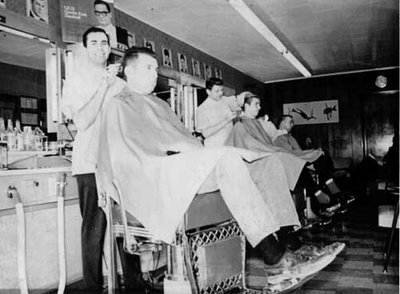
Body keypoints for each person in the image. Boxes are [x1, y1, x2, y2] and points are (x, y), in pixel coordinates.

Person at [95, 47, 345, 289]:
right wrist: (184, 154)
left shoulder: (159, 105)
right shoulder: (118, 104)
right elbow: (124, 157)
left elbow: (184, 140)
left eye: (156, 68)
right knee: (226, 159)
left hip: (182, 169)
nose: (154, 73)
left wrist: (195, 152)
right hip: (154, 175)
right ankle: (276, 259)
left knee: (267, 163)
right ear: (128, 71)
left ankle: (288, 241)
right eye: (148, 67)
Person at [61, 27, 125, 291]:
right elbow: (83, 121)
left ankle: (133, 284)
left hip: (119, 164)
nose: (100, 47)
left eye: (104, 43)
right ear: (86, 48)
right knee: (93, 229)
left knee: (124, 228)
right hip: (88, 163)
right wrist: (103, 86)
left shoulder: (122, 84)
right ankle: (92, 288)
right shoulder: (75, 80)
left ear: (109, 48)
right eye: (94, 43)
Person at [274, 114, 353, 204]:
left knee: (322, 155)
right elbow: (293, 154)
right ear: (282, 122)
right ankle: (332, 191)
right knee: (319, 158)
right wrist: (312, 153)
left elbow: (299, 151)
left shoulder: (290, 138)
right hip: (291, 166)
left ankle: (332, 190)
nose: (293, 125)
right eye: (290, 122)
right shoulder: (277, 138)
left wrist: (313, 152)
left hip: (299, 162)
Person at [196, 78, 250, 147]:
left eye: (221, 90)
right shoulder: (202, 109)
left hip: (230, 145)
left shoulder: (226, 100)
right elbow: (204, 134)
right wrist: (226, 120)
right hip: (215, 149)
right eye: (217, 91)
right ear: (208, 92)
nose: (220, 93)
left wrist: (243, 96)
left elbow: (241, 111)